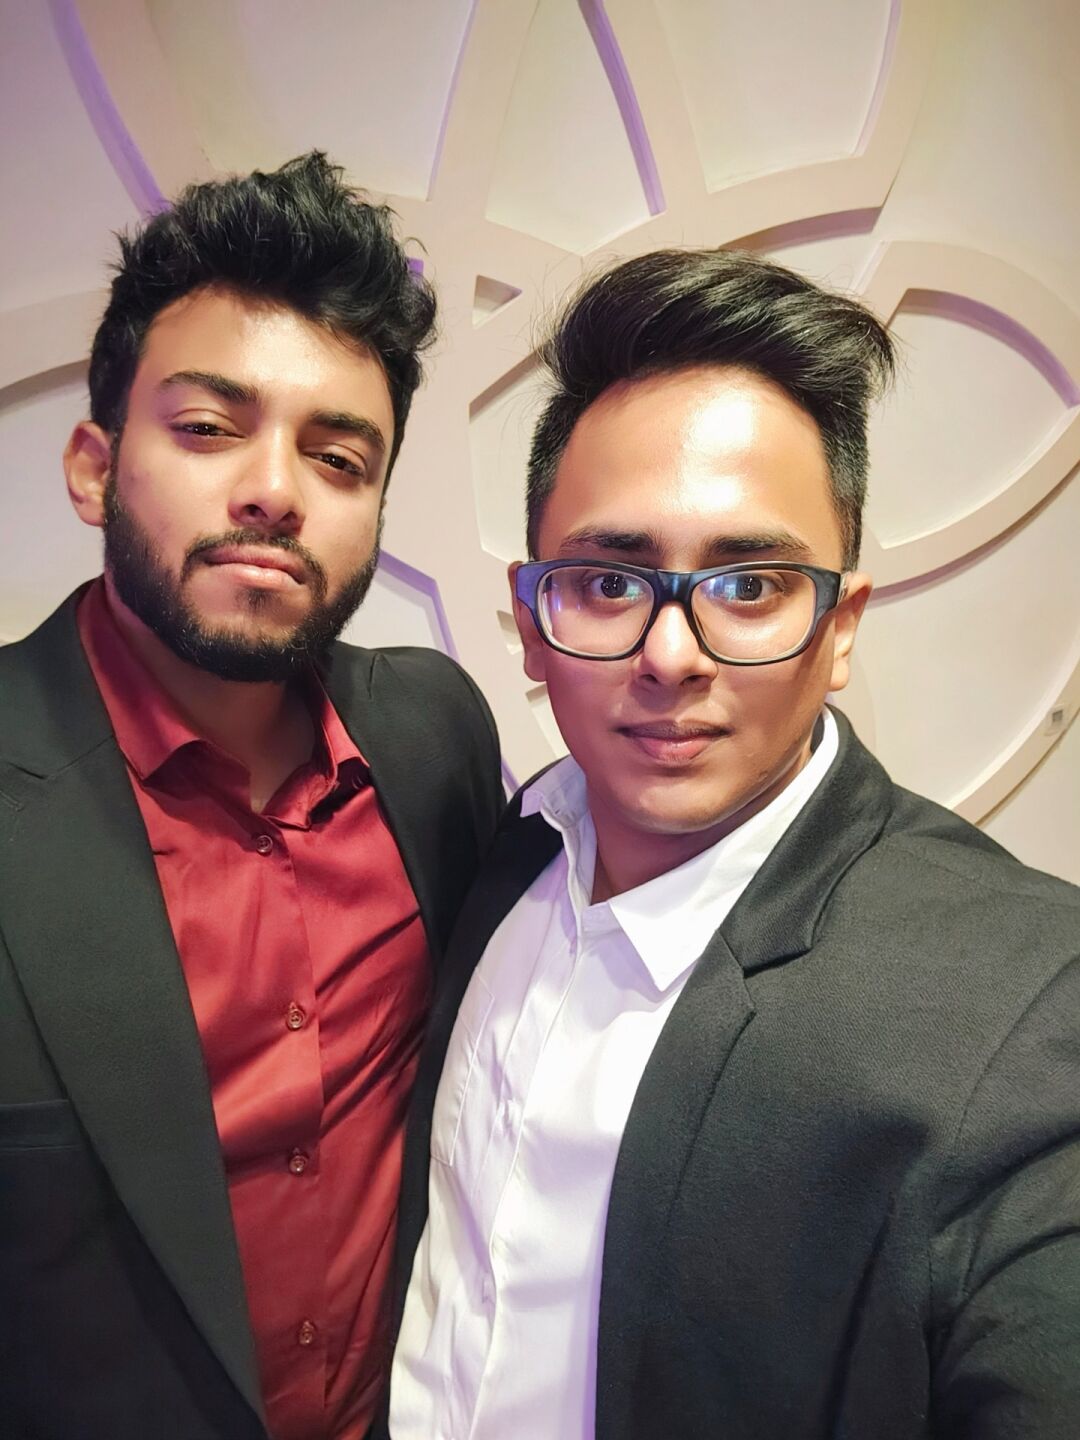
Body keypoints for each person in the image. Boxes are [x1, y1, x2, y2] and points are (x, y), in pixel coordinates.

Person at [386, 249, 1080, 1439]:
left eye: (750, 585)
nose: (672, 656)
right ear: (534, 619)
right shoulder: (509, 851)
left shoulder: (1026, 997)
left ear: (841, 625)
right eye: (610, 582)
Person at [0, 152, 503, 1440]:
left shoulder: (435, 738)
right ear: (94, 468)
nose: (276, 489)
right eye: (209, 428)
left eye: (337, 457)